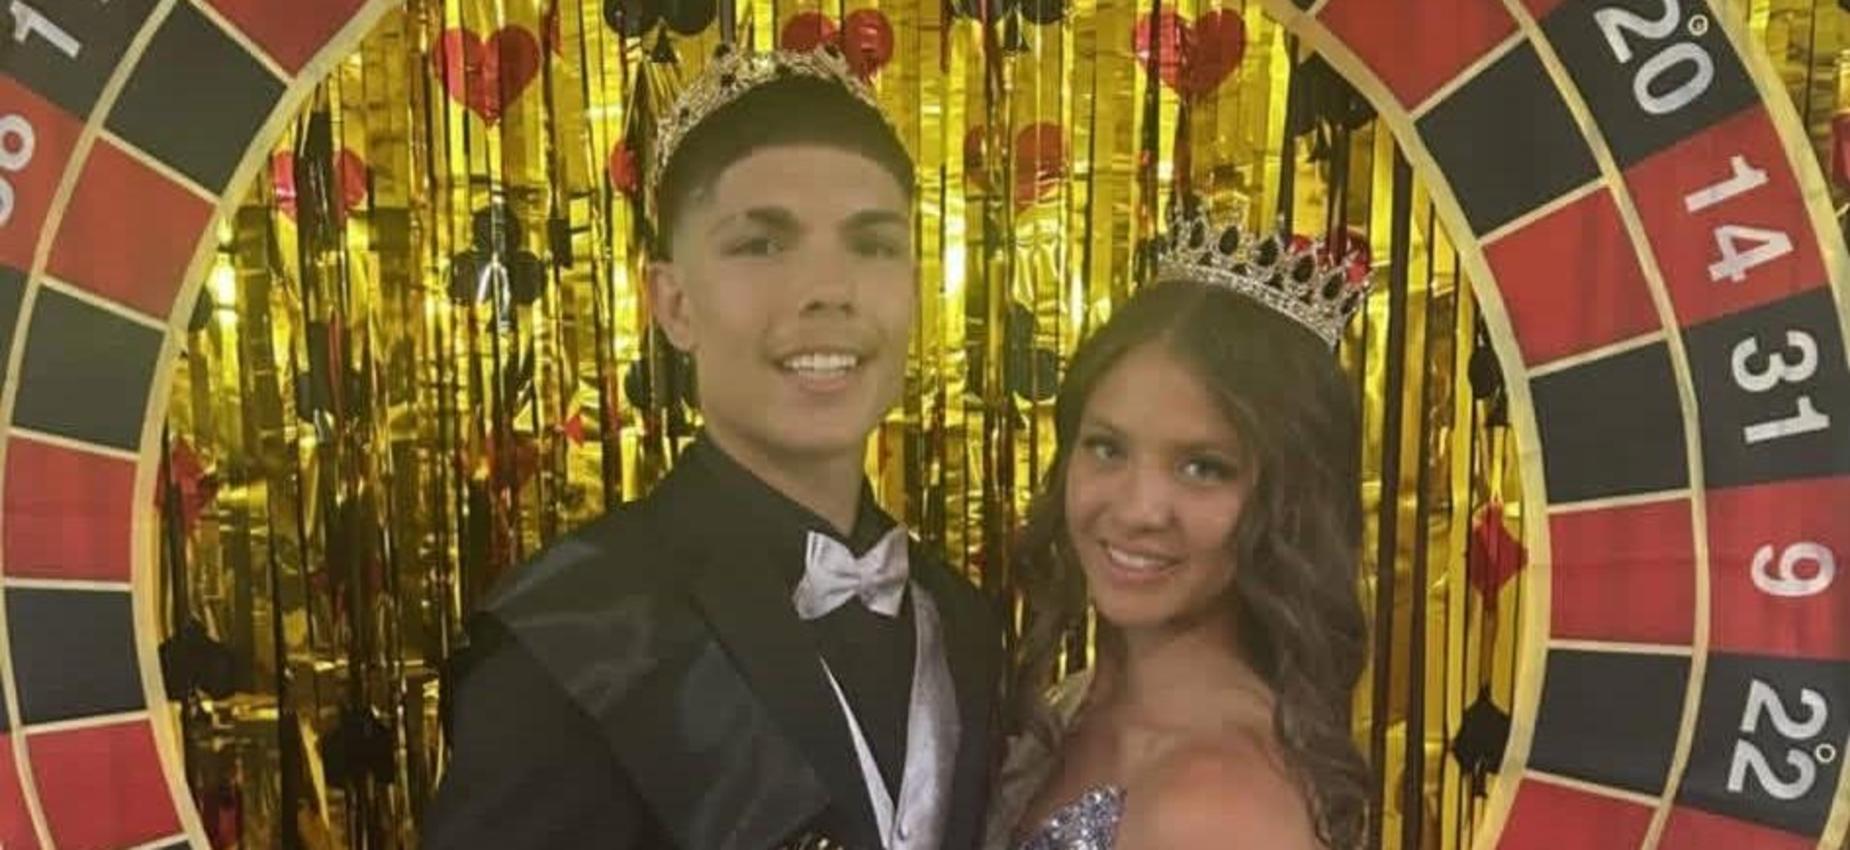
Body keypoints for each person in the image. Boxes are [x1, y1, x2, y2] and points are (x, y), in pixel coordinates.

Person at [424, 44, 1002, 850]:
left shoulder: (964, 624)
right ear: (672, 302)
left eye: (872, 244)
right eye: (763, 245)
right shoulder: (580, 632)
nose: (828, 289)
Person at [984, 198, 1373, 850]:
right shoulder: (1072, 709)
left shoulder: (1221, 807)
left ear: (1285, 501)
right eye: (1108, 448)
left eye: (1202, 468)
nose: (1138, 510)